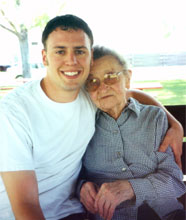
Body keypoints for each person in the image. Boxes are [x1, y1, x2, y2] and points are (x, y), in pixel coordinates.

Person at [0, 14, 183, 220]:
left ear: (89, 57)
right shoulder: (15, 111)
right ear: (44, 57)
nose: (71, 60)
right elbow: (26, 204)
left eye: (79, 51)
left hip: (85, 211)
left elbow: (128, 93)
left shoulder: (99, 98)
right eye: (60, 51)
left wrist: (175, 124)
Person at [79, 46, 186, 220]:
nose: (103, 87)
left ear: (127, 78)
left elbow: (174, 182)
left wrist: (132, 188)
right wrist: (81, 187)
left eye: (110, 77)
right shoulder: (82, 125)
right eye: (92, 81)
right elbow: (72, 175)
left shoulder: (154, 119)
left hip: (165, 215)